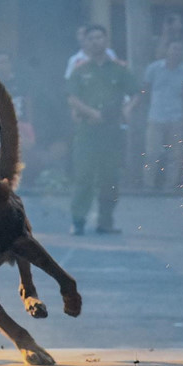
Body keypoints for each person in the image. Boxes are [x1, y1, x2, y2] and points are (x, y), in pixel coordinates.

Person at [66, 25, 139, 235]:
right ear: (86, 43)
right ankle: (78, 221)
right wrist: (90, 112)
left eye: (99, 37)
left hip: (111, 131)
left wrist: (127, 109)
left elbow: (136, 93)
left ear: (106, 41)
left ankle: (106, 222)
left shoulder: (119, 69)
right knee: (84, 176)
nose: (96, 41)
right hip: (87, 131)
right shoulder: (80, 70)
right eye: (91, 38)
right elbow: (72, 98)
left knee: (110, 178)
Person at [138, 39, 183, 191]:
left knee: (175, 155)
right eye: (174, 48)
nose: (176, 52)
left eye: (180, 49)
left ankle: (170, 186)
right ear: (167, 50)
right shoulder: (153, 69)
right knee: (151, 153)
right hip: (155, 116)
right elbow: (146, 90)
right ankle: (148, 184)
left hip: (176, 118)